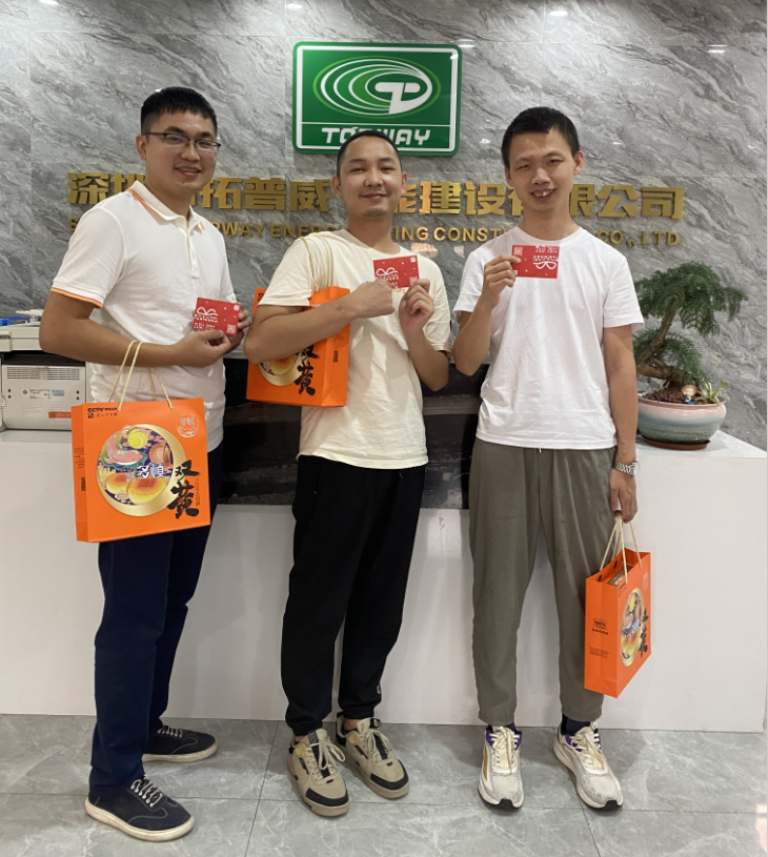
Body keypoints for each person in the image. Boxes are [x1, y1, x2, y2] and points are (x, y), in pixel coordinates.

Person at [39, 87, 249, 842]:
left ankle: (147, 725)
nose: (192, 153)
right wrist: (167, 353)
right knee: (132, 614)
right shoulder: (112, 220)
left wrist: (228, 332)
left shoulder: (207, 232)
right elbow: (60, 328)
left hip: (200, 442)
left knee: (172, 602)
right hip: (138, 450)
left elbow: (203, 324)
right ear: (142, 145)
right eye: (175, 137)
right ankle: (113, 778)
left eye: (205, 140)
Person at [244, 130, 452, 818]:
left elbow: (436, 376)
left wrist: (414, 327)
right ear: (338, 185)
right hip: (334, 454)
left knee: (380, 604)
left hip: (404, 456)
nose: (373, 178)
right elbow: (262, 340)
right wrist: (349, 306)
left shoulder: (424, 271)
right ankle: (306, 732)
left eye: (386, 167)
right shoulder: (316, 251)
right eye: (358, 168)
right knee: (318, 603)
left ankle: (358, 720)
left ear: (404, 183)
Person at [452, 107, 643, 811]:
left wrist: (626, 461)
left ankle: (578, 728)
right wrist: (488, 297)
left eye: (552, 160)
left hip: (586, 447)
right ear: (507, 175)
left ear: (577, 164)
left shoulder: (605, 261)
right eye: (525, 164)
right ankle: (499, 730)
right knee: (496, 598)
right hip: (503, 443)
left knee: (585, 601)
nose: (540, 175)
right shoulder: (487, 259)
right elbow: (465, 361)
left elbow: (620, 363)